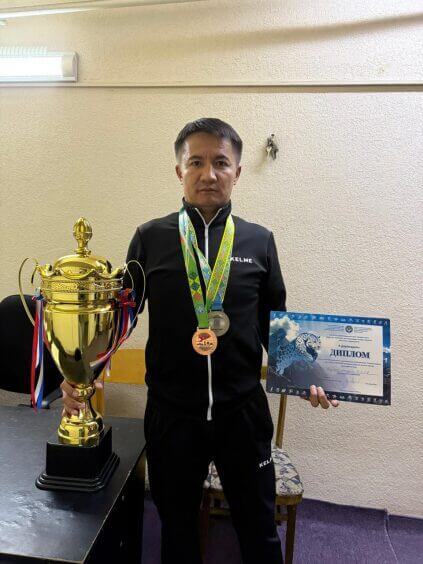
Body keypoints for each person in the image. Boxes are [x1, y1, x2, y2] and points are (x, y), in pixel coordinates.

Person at [62, 118, 338, 564]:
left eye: (220, 163)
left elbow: (276, 324)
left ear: (237, 172)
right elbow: (120, 322)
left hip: (242, 415)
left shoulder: (259, 241)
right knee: (177, 532)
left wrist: (309, 375)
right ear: (179, 171)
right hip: (172, 416)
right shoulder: (149, 239)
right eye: (196, 162)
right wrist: (81, 373)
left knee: (259, 530)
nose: (208, 173)